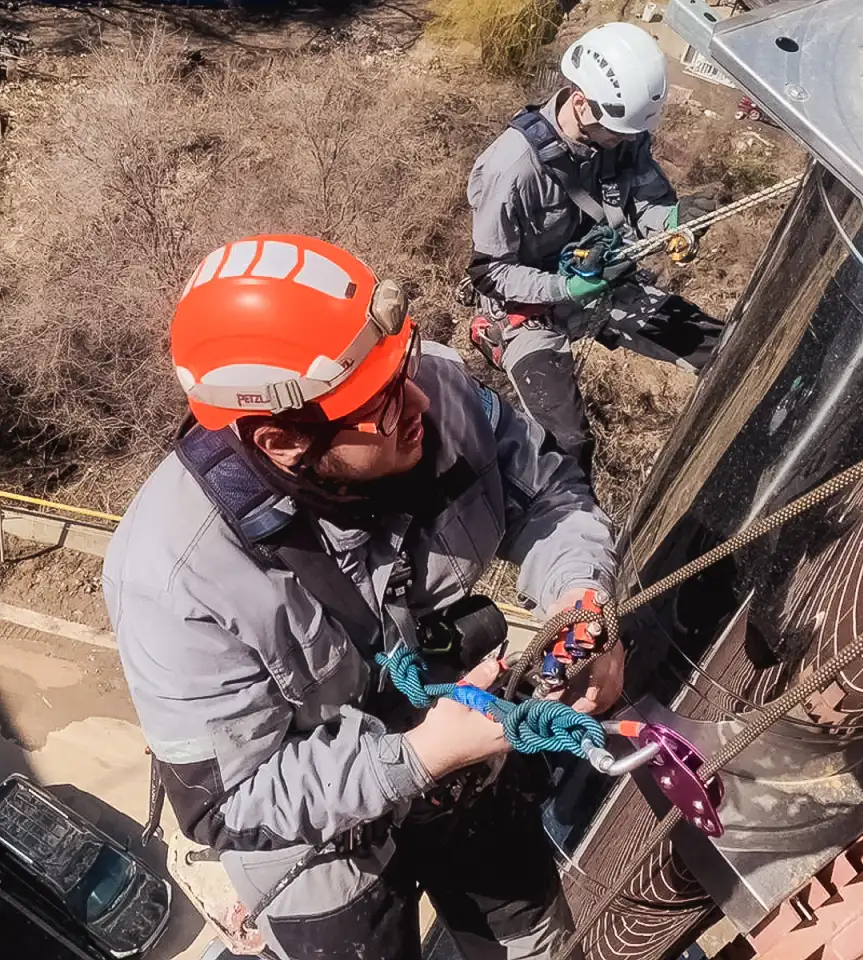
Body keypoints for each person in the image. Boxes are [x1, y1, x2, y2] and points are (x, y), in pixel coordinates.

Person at [103, 235, 623, 960]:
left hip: (463, 747)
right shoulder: (172, 577)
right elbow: (228, 802)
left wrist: (584, 600)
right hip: (314, 845)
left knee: (534, 939)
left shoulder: (431, 393)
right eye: (374, 403)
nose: (414, 400)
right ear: (283, 440)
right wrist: (414, 757)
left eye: (399, 365)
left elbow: (548, 496)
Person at [467, 22, 724, 472]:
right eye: (618, 133)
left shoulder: (623, 134)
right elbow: (491, 271)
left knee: (718, 347)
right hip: (528, 310)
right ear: (581, 104)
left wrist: (674, 224)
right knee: (568, 449)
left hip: (606, 279)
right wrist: (567, 288)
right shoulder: (511, 168)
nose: (627, 141)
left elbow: (647, 199)